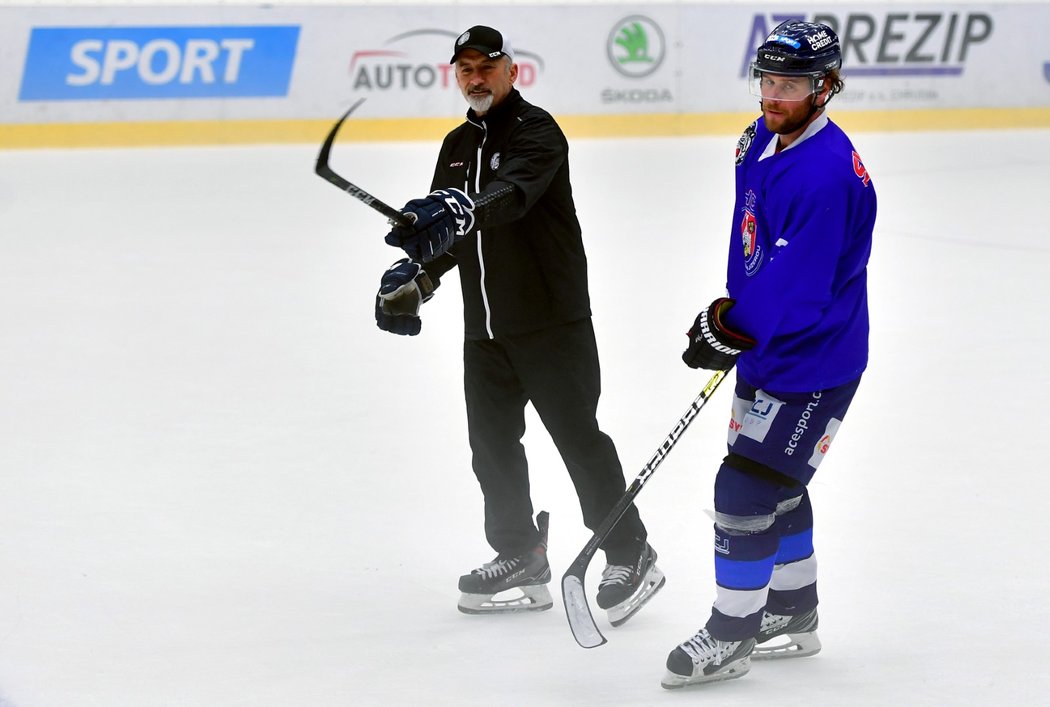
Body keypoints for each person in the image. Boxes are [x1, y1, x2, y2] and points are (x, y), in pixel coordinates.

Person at [373, 25, 665, 622]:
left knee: (579, 441)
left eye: (486, 67)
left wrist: (462, 205)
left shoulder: (538, 133)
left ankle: (632, 553)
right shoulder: (455, 144)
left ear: (512, 71)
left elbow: (511, 196)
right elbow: (448, 236)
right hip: (484, 330)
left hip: (549, 323)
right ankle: (520, 553)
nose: (476, 78)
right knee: (492, 448)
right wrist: (416, 278)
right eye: (465, 70)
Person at [661, 20, 876, 689]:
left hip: (814, 358)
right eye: (768, 81)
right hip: (769, 349)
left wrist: (736, 323)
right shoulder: (759, 137)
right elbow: (757, 238)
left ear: (826, 87)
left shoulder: (825, 177)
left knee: (747, 487)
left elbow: (799, 286)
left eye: (792, 84)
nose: (774, 96)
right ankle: (792, 609)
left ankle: (733, 633)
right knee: (780, 486)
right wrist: (733, 314)